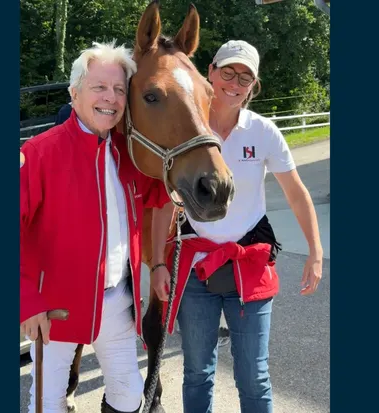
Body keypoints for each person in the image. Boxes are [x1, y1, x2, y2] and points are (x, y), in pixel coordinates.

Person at [150, 40, 324, 413]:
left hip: (249, 264)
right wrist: (158, 263)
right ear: (210, 72)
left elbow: (296, 193)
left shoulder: (263, 131)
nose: (234, 82)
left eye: (245, 77)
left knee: (253, 376)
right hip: (196, 268)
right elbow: (164, 200)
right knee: (197, 372)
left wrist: (315, 251)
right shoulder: (186, 126)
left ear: (253, 85)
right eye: (228, 72)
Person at [20, 41, 171, 413]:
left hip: (117, 302)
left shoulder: (128, 154)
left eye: (119, 89)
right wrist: (28, 301)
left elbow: (164, 191)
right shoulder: (39, 153)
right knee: (48, 403)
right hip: (55, 308)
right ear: (74, 93)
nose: (111, 97)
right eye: (99, 87)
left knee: (129, 395)